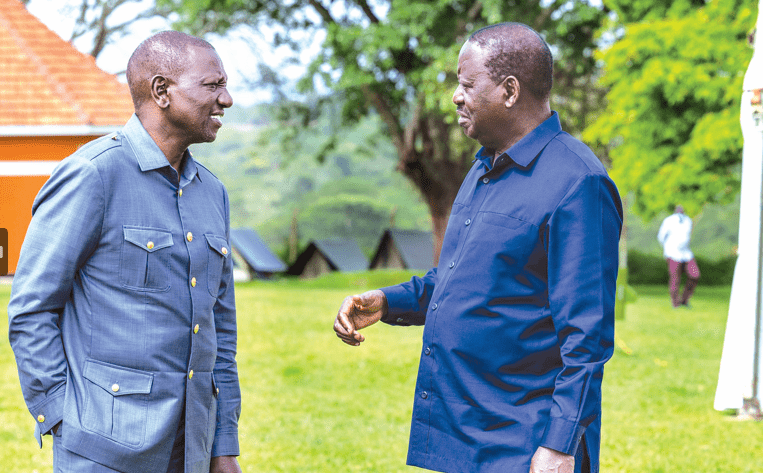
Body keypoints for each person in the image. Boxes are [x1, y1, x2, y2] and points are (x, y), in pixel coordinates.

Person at [334, 22, 622, 473]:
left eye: (467, 83)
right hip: (463, 435)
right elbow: (459, 280)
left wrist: (560, 445)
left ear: (509, 91)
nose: (455, 95)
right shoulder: (484, 167)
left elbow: (586, 337)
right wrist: (388, 302)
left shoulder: (578, 182)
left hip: (524, 444)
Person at [8, 31, 242, 473]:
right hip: (102, 450)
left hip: (192, 447)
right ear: (161, 91)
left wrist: (223, 442)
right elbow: (31, 310)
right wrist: (61, 417)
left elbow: (219, 333)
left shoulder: (213, 193)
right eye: (212, 85)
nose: (226, 99)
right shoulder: (92, 176)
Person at [657, 204, 700, 308]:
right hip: (672, 252)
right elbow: (661, 236)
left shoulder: (688, 221)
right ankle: (675, 303)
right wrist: (668, 247)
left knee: (694, 274)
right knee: (675, 279)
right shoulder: (669, 221)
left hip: (686, 253)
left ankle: (685, 299)